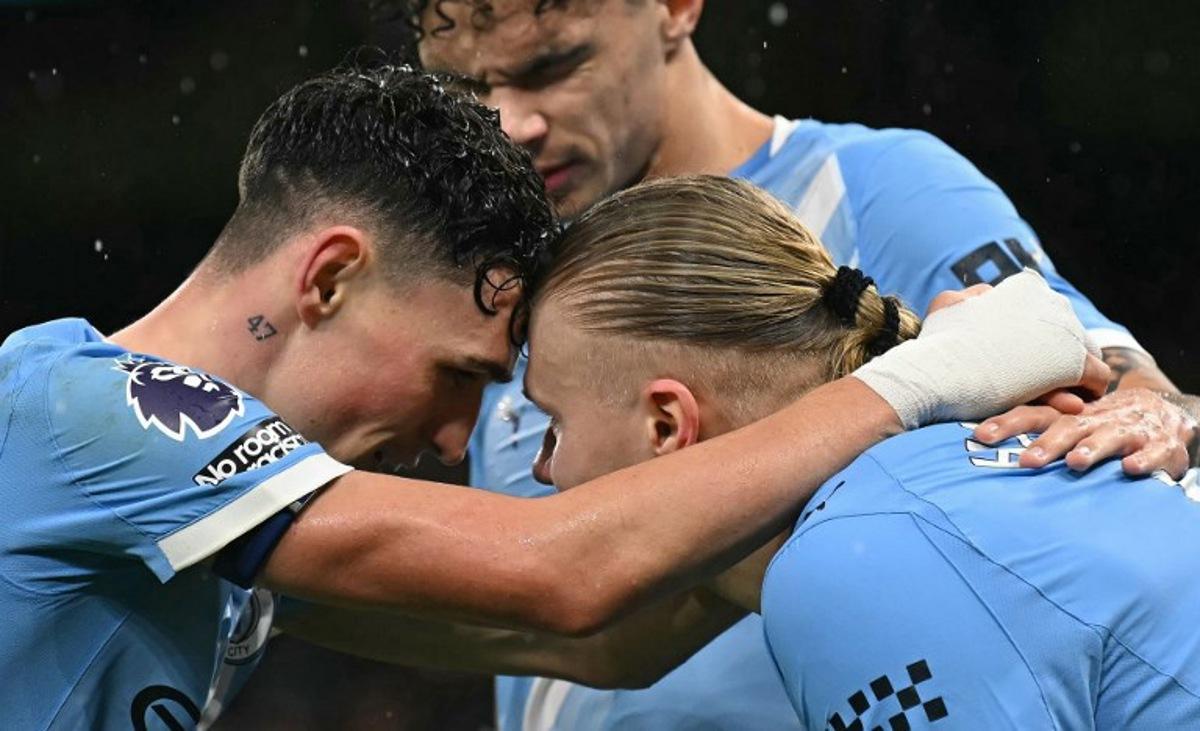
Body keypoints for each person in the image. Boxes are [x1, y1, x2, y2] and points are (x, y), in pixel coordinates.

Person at [0, 66, 1095, 730]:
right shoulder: (100, 415)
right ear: (330, 276)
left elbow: (596, 643)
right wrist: (924, 378)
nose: (454, 437)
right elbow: (554, 573)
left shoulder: (204, 537)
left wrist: (823, 506)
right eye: (458, 375)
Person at [397, 1, 1200, 727]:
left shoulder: (877, 189)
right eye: (467, 89)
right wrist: (280, 594)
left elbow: (1116, 388)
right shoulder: (502, 271)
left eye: (554, 65)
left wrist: (1152, 413)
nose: (510, 123)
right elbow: (583, 612)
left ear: (675, 8)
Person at [287, 177, 1199, 729]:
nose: (537, 471)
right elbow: (587, 636)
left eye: (550, 423)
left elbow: (564, 578)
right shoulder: (923, 486)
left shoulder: (854, 553)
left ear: (666, 425)